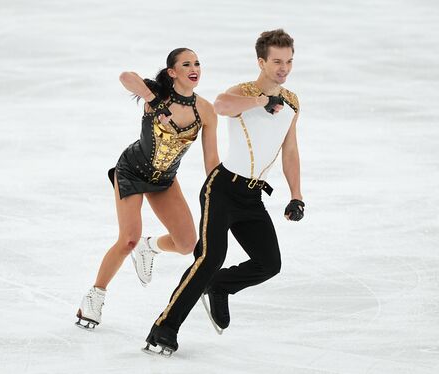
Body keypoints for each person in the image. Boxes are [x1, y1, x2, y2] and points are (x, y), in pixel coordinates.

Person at [143, 29, 305, 356]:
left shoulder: (292, 102)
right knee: (209, 258)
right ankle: (164, 328)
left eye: (288, 61)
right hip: (222, 189)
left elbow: (290, 149)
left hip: (252, 197)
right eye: (276, 61)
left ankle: (220, 286)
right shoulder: (243, 92)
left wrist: (296, 194)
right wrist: (261, 100)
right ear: (261, 61)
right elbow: (221, 105)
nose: (283, 68)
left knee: (269, 263)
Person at [75, 48, 219, 329]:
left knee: (187, 243)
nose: (195, 68)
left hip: (164, 179)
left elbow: (211, 160)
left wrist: (221, 188)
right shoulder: (157, 94)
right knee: (128, 238)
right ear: (172, 72)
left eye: (198, 63)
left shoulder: (205, 110)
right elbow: (125, 76)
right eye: (186, 64)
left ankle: (149, 247)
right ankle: (94, 296)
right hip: (132, 171)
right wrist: (154, 100)